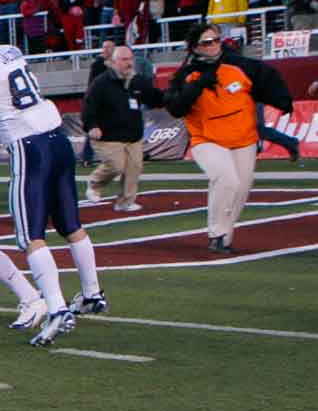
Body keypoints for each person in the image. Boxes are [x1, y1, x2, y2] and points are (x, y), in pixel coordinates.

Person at [0, 20, 106, 343]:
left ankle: (56, 309)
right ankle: (92, 293)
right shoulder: (7, 51)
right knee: (71, 225)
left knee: (30, 236)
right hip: (56, 137)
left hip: (29, 147)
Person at [165, 24, 291, 254]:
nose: (213, 45)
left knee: (241, 189)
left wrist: (283, 101)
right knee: (226, 179)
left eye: (215, 40)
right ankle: (217, 233)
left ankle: (225, 235)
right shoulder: (186, 74)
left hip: (243, 138)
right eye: (206, 42)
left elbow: (267, 81)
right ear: (195, 47)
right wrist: (197, 85)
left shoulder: (240, 65)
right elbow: (175, 107)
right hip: (206, 138)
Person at [83, 45, 152, 211]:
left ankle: (125, 202)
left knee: (134, 167)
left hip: (132, 136)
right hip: (108, 136)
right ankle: (94, 183)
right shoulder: (101, 83)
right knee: (117, 165)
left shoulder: (138, 81)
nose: (129, 63)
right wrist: (91, 126)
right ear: (113, 62)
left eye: (130, 59)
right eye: (124, 59)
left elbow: (155, 97)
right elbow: (88, 107)